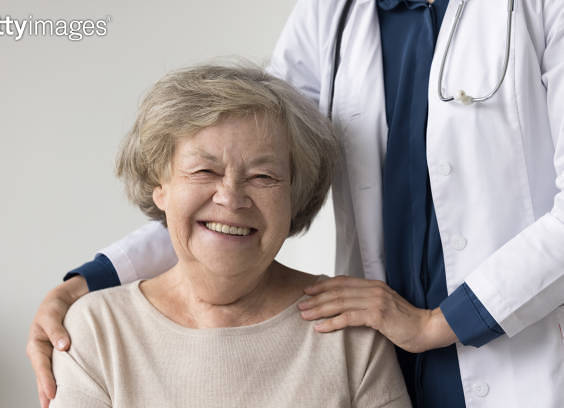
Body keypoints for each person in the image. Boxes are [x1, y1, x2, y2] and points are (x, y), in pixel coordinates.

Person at [28, 1, 564, 407]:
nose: (230, 187)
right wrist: (88, 282)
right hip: (377, 350)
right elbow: (234, 166)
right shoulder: (333, 14)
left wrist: (436, 325)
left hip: (515, 350)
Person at [48, 64, 411, 407]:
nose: (231, 197)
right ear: (160, 186)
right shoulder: (97, 328)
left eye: (263, 176)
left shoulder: (350, 332)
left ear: (293, 197)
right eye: (205, 170)